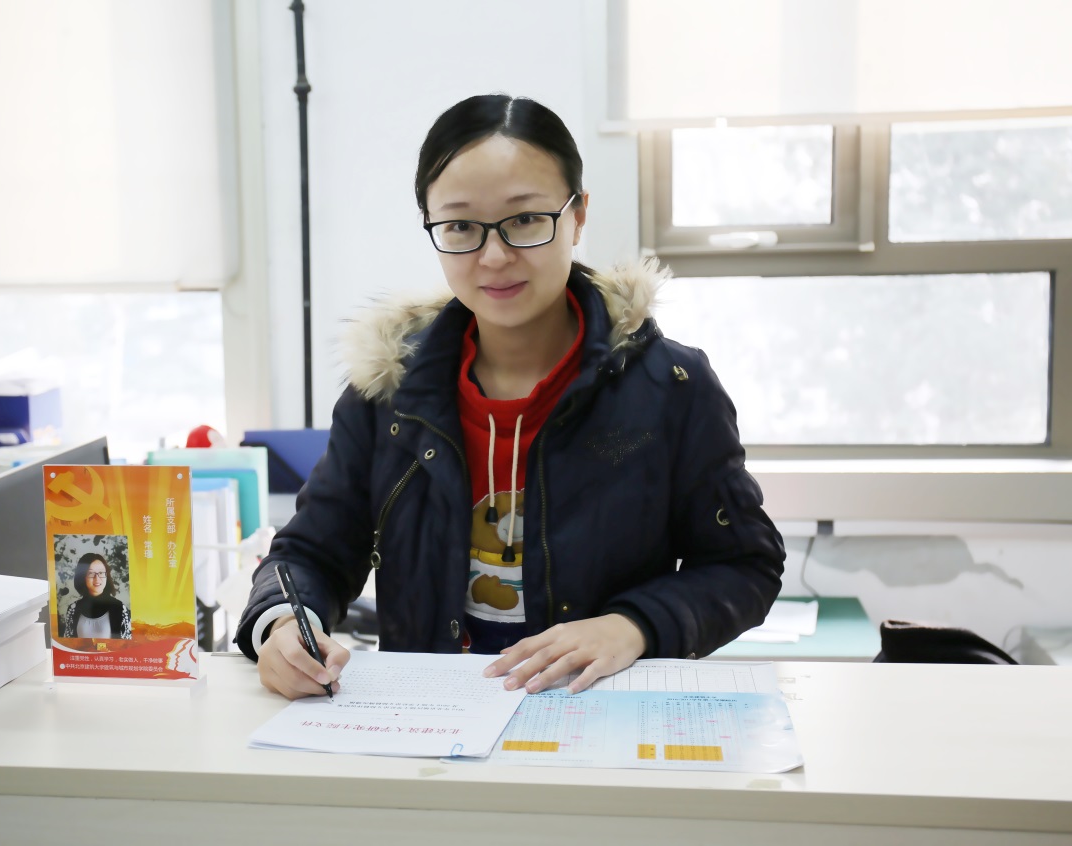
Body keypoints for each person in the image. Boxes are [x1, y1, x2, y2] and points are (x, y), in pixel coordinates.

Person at [235, 94, 785, 700]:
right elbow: (310, 553)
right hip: (430, 720)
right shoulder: (388, 392)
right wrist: (283, 625)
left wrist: (632, 626)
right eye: (460, 227)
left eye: (524, 220)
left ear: (577, 216)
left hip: (594, 713)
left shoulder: (670, 386)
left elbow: (744, 566)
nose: (493, 256)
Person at [61, 552, 132, 639]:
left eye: (101, 573)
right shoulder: (73, 609)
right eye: (91, 573)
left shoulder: (120, 608)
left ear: (106, 575)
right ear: (82, 577)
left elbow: (126, 643)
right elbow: (68, 642)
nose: (97, 578)